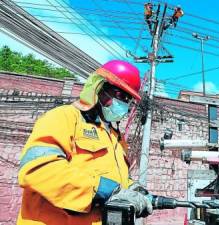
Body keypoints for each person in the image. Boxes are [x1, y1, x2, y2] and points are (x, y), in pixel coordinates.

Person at [17, 60, 153, 225]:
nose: (123, 104)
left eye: (127, 99)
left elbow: (114, 180)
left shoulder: (115, 137)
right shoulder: (64, 117)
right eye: (119, 95)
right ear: (98, 87)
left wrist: (133, 189)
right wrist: (106, 191)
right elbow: (38, 170)